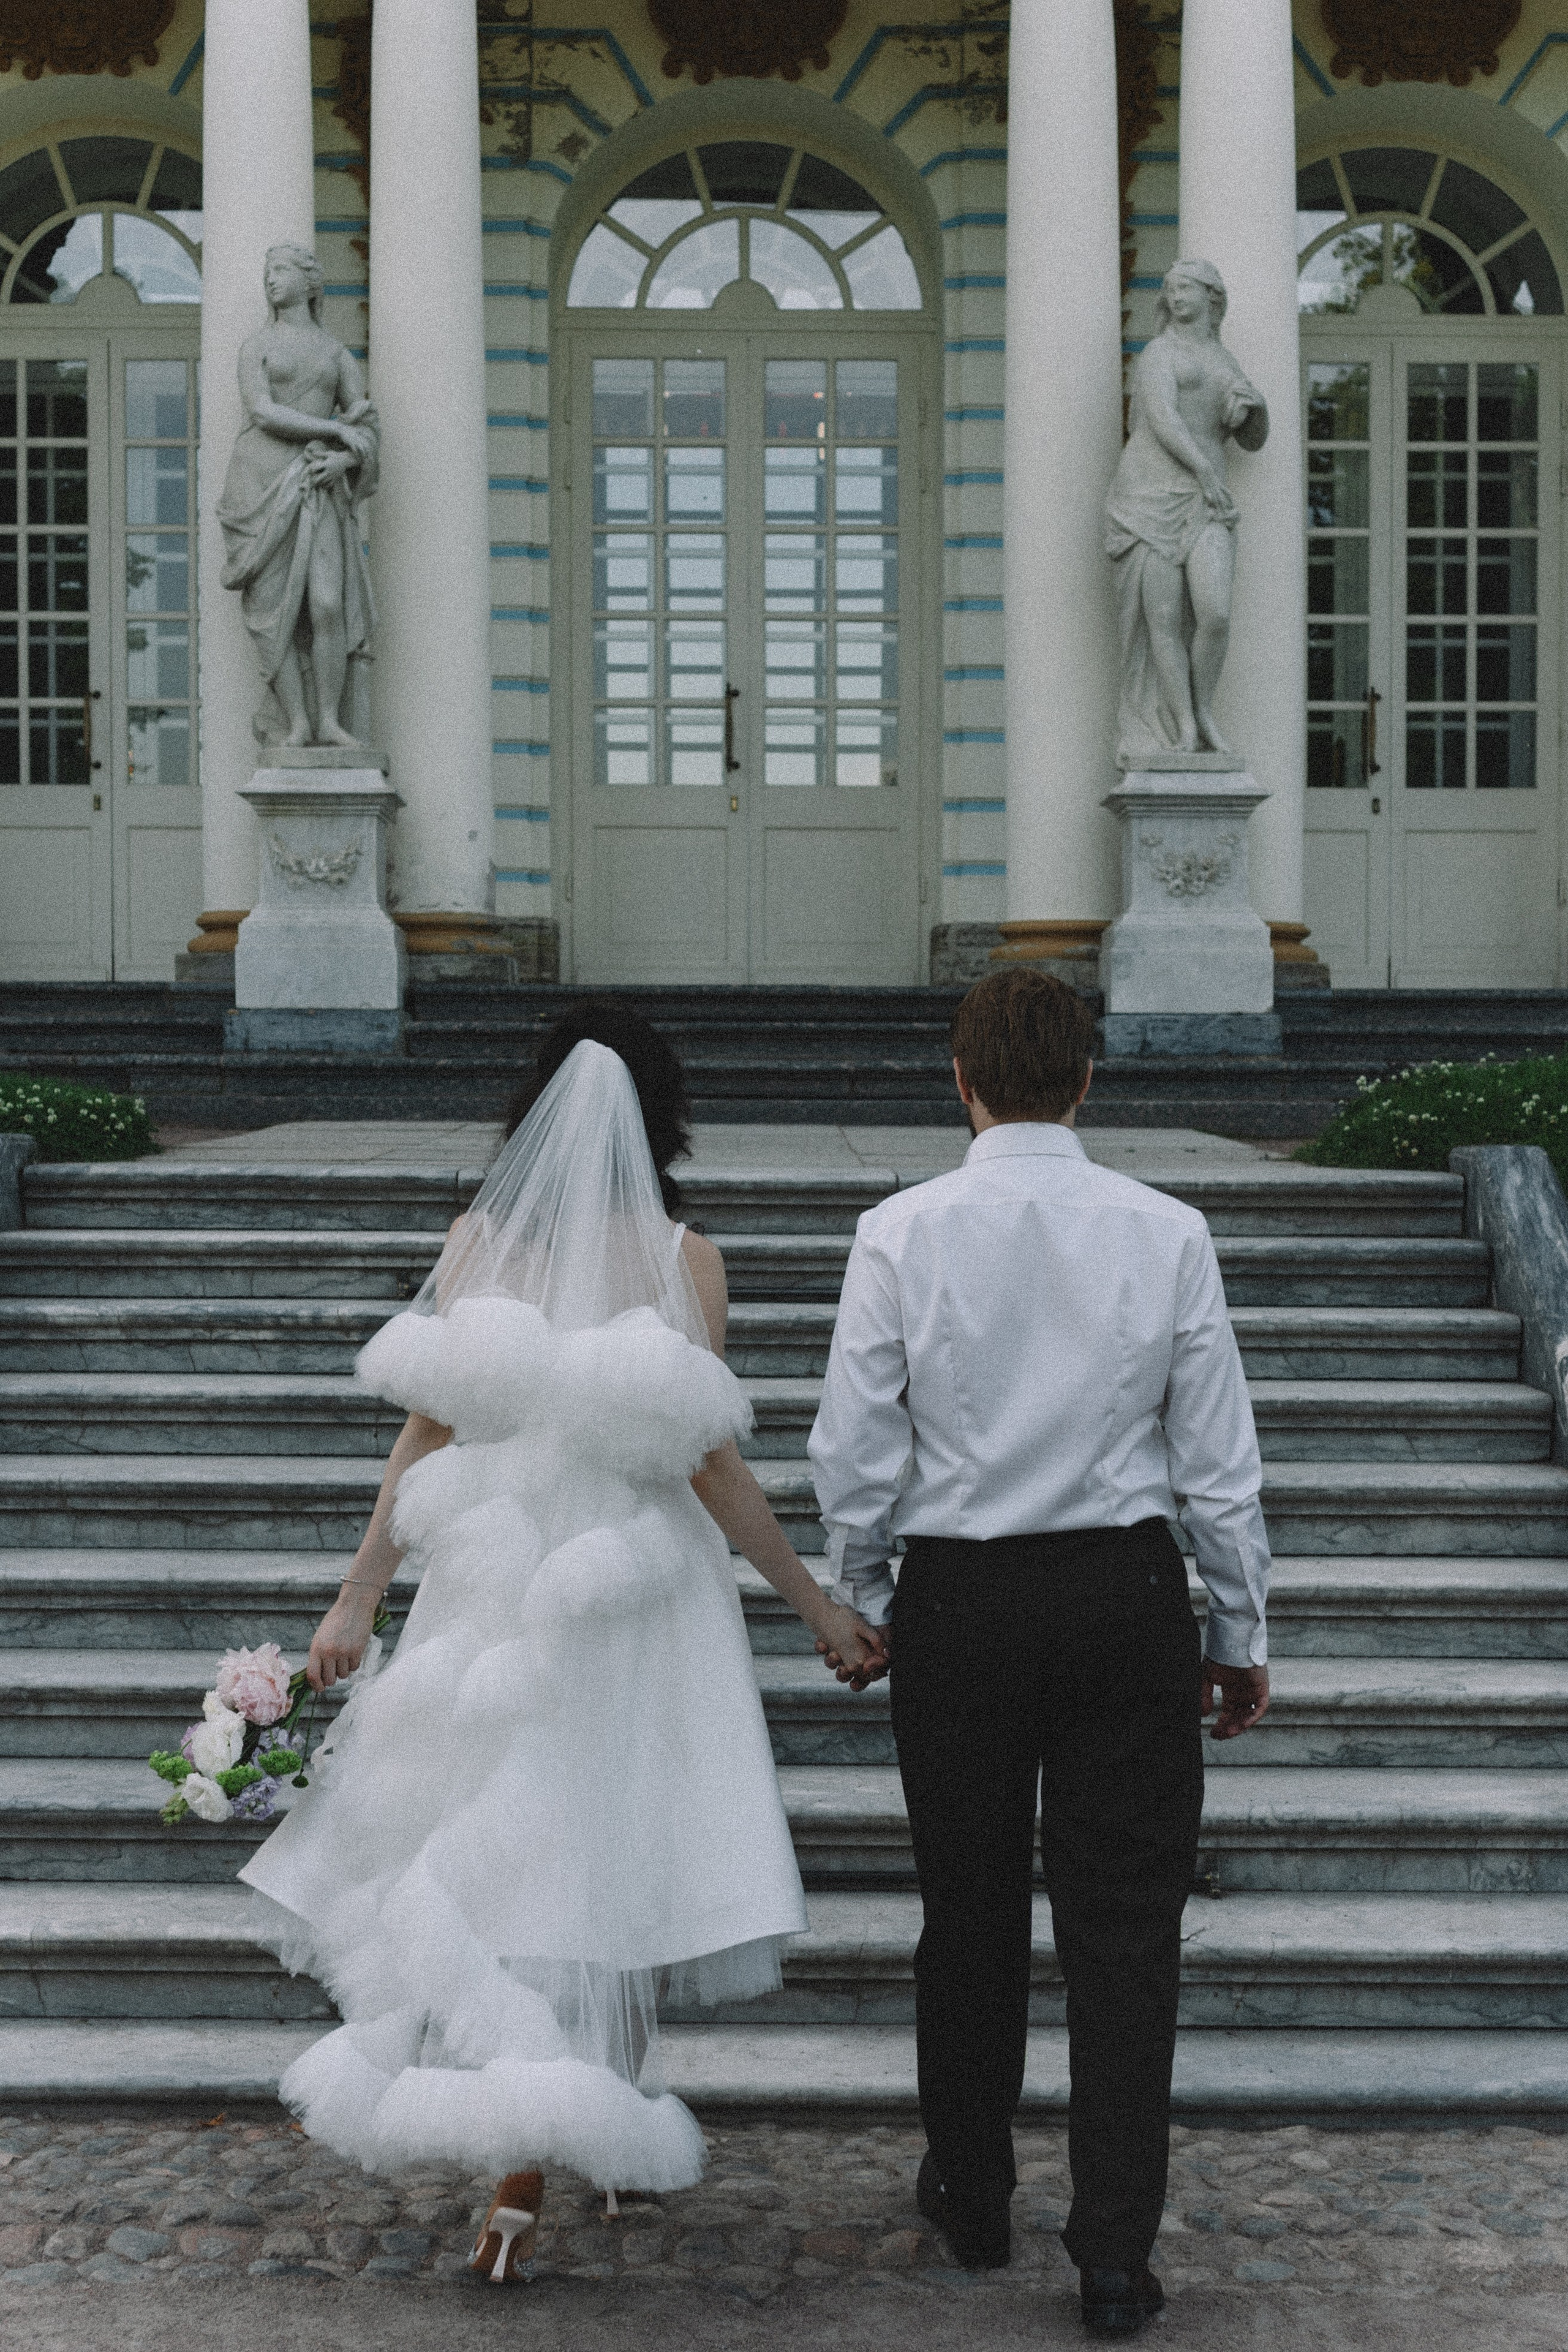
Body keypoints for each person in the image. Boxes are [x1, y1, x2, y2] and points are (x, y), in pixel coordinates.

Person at [241, 998, 884, 2282]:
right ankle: (579, 2139)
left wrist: (358, 1597)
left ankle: (524, 2177)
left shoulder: (478, 1243)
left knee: (505, 1858)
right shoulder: (681, 1255)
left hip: (493, 1581)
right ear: (664, 1116)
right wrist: (815, 1607)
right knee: (618, 1850)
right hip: (635, 1597)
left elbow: (421, 1435)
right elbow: (711, 1470)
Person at [809, 968, 1270, 2341]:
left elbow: (852, 1446)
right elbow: (1216, 1461)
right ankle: (1114, 2252)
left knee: (966, 1911)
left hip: (958, 1607)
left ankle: (968, 2189)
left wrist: (863, 1589)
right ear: (1085, 1080)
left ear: (960, 1083)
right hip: (1120, 1596)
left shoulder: (897, 1231)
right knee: (1126, 1931)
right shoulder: (1165, 1229)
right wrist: (1235, 1627)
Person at [1104, 258, 1267, 766]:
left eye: (1187, 288)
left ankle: (1202, 708)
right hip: (1150, 496)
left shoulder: (1224, 360)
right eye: (1170, 288)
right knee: (1164, 621)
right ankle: (1185, 729)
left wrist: (1257, 408)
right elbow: (1162, 417)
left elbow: (1252, 441)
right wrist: (1205, 473)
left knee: (1215, 613)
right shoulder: (1159, 353)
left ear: (1212, 297)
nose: (1176, 296)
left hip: (1206, 498)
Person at [216, 243, 379, 748]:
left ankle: (329, 719)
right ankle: (298, 722)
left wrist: (345, 459)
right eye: (268, 272)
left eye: (281, 271)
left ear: (311, 283)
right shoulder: (256, 346)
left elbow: (366, 424)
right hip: (259, 483)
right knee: (272, 609)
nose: (271, 281)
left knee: (327, 603)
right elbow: (263, 412)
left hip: (317, 482)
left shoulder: (334, 353)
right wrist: (332, 430)